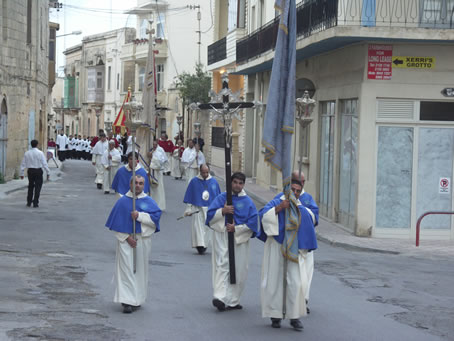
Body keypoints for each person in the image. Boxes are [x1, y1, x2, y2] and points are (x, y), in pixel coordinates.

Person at [258, 179, 318, 331]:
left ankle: (294, 316)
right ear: (287, 189)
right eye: (293, 190)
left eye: (298, 190)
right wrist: (279, 208)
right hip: (277, 246)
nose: (296, 193)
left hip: (293, 250)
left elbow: (309, 224)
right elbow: (263, 215)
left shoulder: (302, 209)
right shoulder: (277, 201)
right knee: (276, 281)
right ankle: (276, 315)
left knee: (294, 282)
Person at [105, 175, 162, 314]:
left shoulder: (148, 201)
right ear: (130, 184)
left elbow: (155, 219)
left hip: (142, 240)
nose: (138, 185)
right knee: (126, 270)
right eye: (135, 183)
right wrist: (126, 237)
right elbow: (115, 225)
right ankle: (127, 300)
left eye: (141, 183)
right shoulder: (122, 201)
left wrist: (140, 216)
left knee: (140, 271)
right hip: (125, 242)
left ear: (144, 186)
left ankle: (137, 298)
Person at [206, 172, 259, 311]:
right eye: (235, 182)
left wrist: (237, 228)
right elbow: (210, 215)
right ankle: (220, 297)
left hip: (239, 241)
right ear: (230, 183)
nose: (237, 185)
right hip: (223, 237)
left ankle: (233, 300)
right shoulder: (221, 198)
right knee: (222, 265)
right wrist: (222, 211)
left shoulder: (248, 202)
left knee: (239, 269)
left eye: (240, 183)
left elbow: (253, 223)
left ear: (243, 185)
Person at [183, 164, 221, 254]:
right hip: (197, 208)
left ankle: (205, 244)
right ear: (200, 171)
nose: (205, 174)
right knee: (198, 227)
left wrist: (218, 210)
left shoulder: (214, 182)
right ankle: (200, 245)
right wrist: (188, 209)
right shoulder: (194, 181)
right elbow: (190, 196)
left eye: (207, 172)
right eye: (203, 172)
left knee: (207, 228)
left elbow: (218, 198)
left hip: (209, 208)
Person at [20, 140, 50, 208]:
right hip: (38, 171)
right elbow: (44, 163)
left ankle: (29, 202)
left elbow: (23, 164)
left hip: (30, 171)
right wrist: (48, 172)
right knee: (38, 187)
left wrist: (21, 173)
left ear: (31, 145)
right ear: (37, 145)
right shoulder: (40, 153)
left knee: (30, 186)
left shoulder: (27, 153)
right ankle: (35, 202)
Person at [147, 140, 169, 211]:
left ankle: (159, 205)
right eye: (153, 144)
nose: (154, 146)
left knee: (159, 188)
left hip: (158, 172)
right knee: (151, 188)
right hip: (151, 171)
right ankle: (152, 204)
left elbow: (162, 161)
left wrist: (153, 157)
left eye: (155, 144)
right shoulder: (150, 150)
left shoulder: (160, 150)